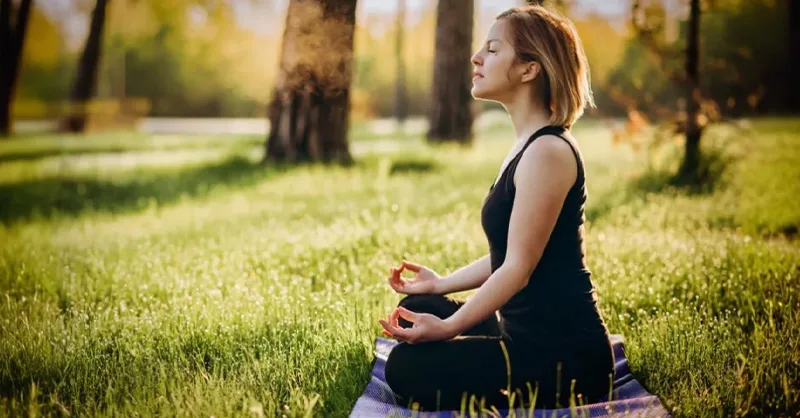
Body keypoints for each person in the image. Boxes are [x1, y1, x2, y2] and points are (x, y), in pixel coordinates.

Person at [376, 4, 615, 412]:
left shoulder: (548, 152)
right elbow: (509, 255)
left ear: (529, 69)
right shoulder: (528, 146)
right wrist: (440, 285)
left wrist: (450, 327)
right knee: (417, 307)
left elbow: (517, 269)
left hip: (563, 358)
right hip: (520, 332)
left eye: (492, 49)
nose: (476, 58)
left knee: (404, 368)